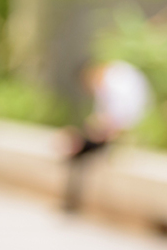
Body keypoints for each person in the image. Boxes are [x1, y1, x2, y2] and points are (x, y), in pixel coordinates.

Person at [63, 59, 150, 213]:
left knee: (79, 151)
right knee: (76, 151)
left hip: (119, 131)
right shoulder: (108, 83)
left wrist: (105, 129)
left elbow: (120, 115)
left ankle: (72, 202)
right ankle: (71, 201)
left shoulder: (115, 80)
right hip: (113, 130)